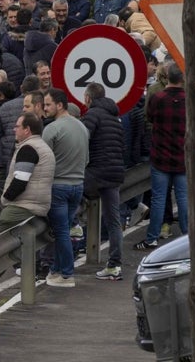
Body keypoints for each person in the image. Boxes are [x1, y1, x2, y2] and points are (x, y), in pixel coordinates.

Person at [41, 89, 89, 287]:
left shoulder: (52, 129)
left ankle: (67, 274)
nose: (45, 109)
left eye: (48, 105)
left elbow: (42, 160)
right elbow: (86, 159)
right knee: (65, 230)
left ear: (59, 105)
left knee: (61, 232)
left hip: (58, 186)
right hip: (78, 184)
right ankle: (56, 270)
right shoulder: (82, 128)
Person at [137, 64, 188, 251]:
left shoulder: (158, 98)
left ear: (167, 77)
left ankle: (152, 238)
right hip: (182, 155)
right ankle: (188, 237)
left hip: (160, 155)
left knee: (158, 198)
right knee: (183, 197)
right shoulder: (188, 100)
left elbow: (149, 118)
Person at [80, 81, 125, 280]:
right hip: (115, 172)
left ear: (88, 98)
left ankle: (73, 224)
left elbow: (82, 140)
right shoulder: (115, 117)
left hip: (96, 170)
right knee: (113, 220)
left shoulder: (92, 115)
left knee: (72, 194)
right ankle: (114, 265)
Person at [0, 111, 54, 237]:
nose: (14, 129)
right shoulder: (42, 146)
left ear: (27, 129)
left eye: (17, 126)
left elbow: (20, 181)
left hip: (22, 206)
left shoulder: (28, 148)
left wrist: (6, 198)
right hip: (36, 205)